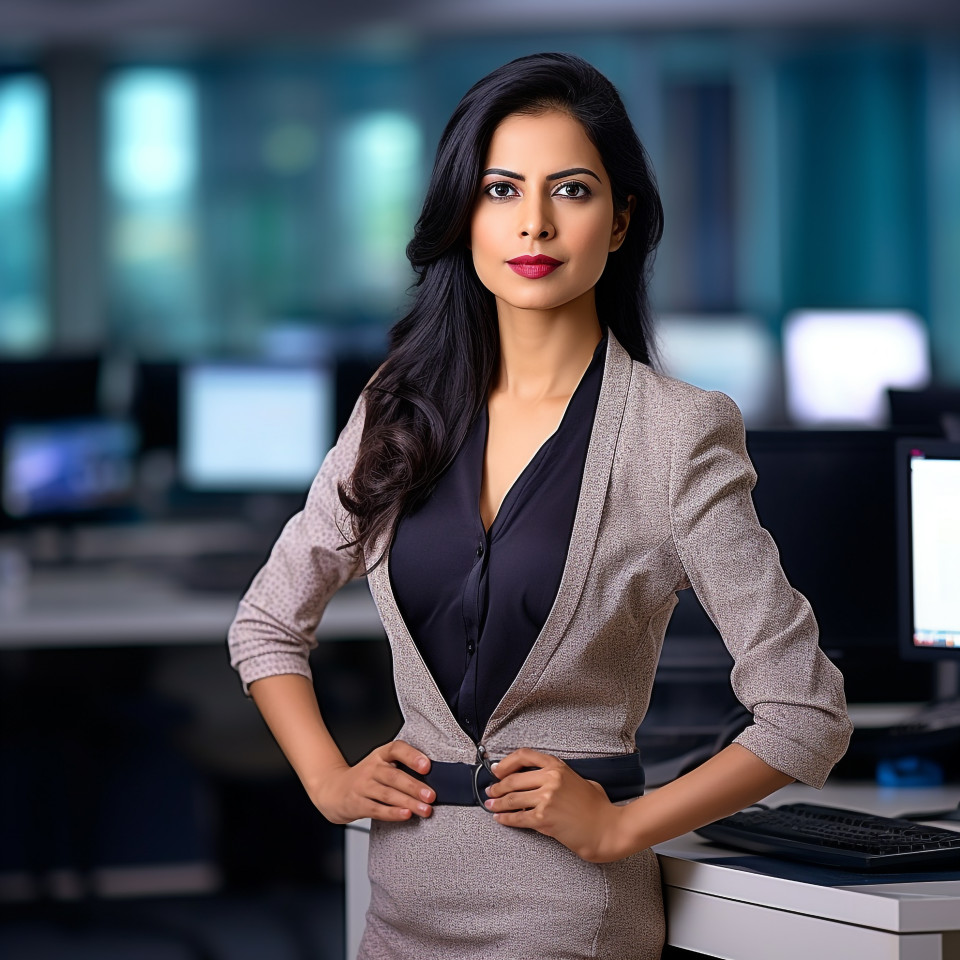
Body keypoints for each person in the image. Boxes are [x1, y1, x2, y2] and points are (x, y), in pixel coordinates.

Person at [227, 52, 852, 960]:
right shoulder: (396, 412)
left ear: (621, 220)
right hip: (399, 906)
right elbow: (266, 625)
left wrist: (622, 829)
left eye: (571, 189)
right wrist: (324, 778)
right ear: (463, 216)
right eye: (500, 189)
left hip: (567, 913)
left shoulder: (677, 433)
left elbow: (807, 713)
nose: (534, 222)